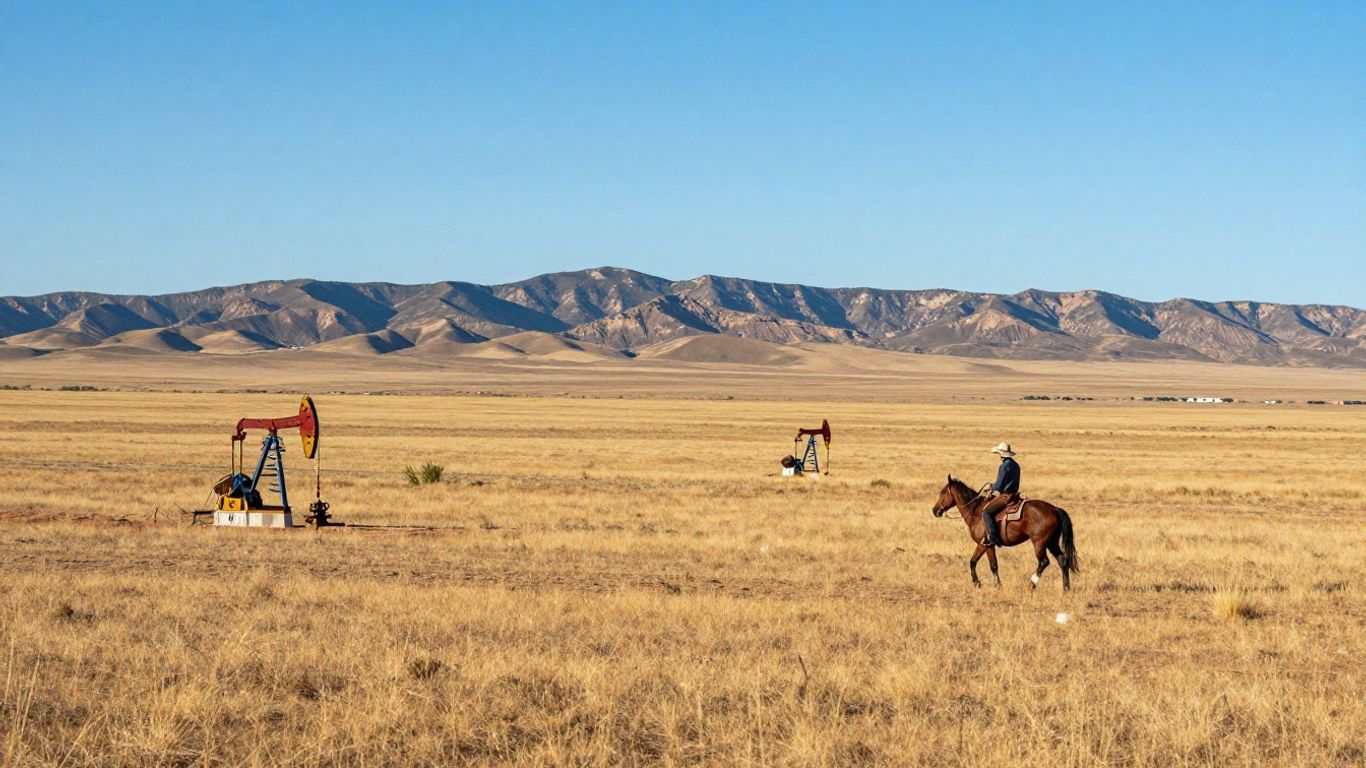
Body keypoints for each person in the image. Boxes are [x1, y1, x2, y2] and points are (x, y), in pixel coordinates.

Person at [979, 442, 1020, 547]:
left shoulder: (1004, 466)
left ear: (1001, 454)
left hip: (1006, 496)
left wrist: (991, 487)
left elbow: (999, 486)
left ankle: (992, 537)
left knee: (986, 513)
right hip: (1015, 494)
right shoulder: (1016, 465)